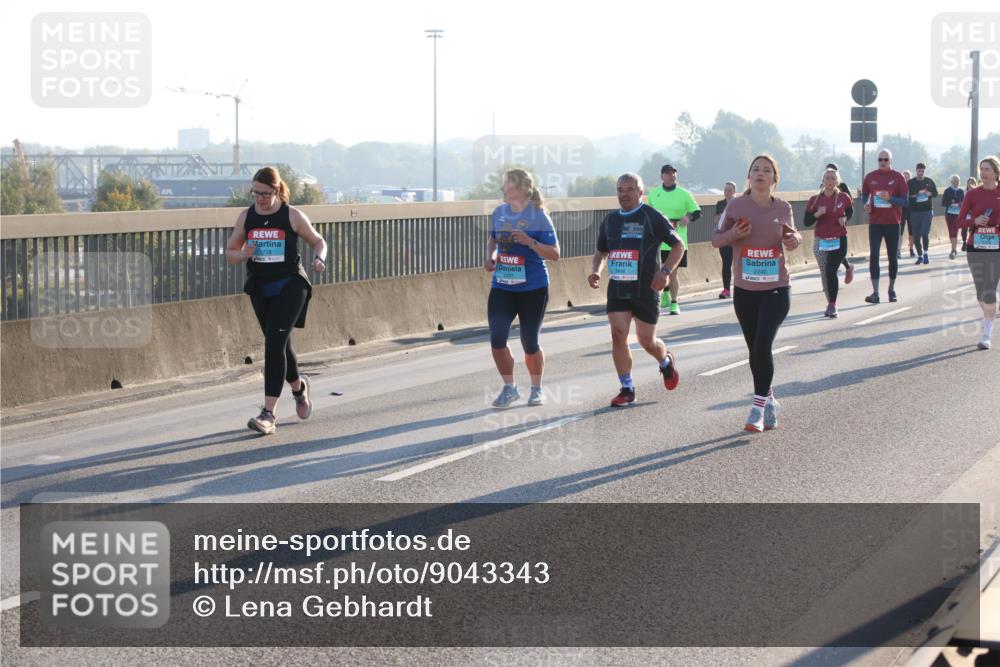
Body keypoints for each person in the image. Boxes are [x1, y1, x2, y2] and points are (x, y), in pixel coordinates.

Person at [226, 166, 328, 434]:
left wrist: (319, 258)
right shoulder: (246, 216)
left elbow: (319, 242)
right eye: (255, 193)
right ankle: (299, 388)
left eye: (265, 193)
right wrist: (243, 254)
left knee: (273, 343)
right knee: (280, 345)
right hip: (261, 287)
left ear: (277, 190)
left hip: (291, 285)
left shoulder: (292, 216)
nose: (259, 198)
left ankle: (268, 414)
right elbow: (230, 253)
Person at [712, 154, 802, 432]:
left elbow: (795, 238)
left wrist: (792, 239)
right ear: (748, 177)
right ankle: (770, 400)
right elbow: (716, 240)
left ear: (775, 178)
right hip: (745, 290)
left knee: (763, 346)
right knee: (755, 352)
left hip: (776, 288)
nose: (760, 174)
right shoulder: (736, 205)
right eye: (755, 170)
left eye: (766, 170)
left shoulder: (783, 207)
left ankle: (758, 408)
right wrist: (734, 236)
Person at [589, 173, 686, 406]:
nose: (625, 194)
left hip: (647, 288)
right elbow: (602, 251)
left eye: (630, 189)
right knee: (618, 335)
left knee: (646, 340)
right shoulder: (610, 220)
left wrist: (664, 272)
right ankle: (627, 388)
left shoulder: (651, 216)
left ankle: (665, 362)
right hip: (618, 289)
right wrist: (596, 271)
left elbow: (678, 245)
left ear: (641, 192)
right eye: (620, 190)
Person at [484, 169, 560, 408]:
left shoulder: (538, 216)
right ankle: (509, 387)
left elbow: (556, 253)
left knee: (530, 342)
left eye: (505, 185)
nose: (502, 189)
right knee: (497, 339)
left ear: (519, 188)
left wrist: (530, 242)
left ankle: (537, 388)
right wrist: (490, 257)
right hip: (502, 285)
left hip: (533, 287)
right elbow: (493, 240)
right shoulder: (499, 212)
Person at [956, 156, 1000, 350]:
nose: (983, 172)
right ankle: (990, 312)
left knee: (989, 292)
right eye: (981, 169)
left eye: (987, 169)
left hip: (996, 248)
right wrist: (974, 221)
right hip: (975, 247)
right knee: (981, 293)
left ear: (996, 172)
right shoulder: (972, 195)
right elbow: (958, 221)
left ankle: (986, 333)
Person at [647, 164, 702, 314]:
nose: (671, 176)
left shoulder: (684, 194)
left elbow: (697, 212)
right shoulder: (654, 194)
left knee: (672, 272)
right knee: (660, 271)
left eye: (673, 173)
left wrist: (688, 217)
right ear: (662, 176)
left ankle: (674, 302)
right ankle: (665, 293)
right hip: (658, 242)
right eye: (668, 173)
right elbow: (648, 214)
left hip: (676, 242)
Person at [804, 168, 854, 317]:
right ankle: (830, 302)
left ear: (837, 181)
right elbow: (806, 222)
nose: (830, 181)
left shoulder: (843, 197)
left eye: (833, 178)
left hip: (839, 239)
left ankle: (832, 305)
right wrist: (817, 214)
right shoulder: (815, 200)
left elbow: (850, 211)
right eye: (827, 178)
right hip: (821, 240)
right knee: (825, 273)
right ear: (823, 181)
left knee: (831, 271)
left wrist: (845, 219)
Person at [862, 149, 909, 304]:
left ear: (890, 161)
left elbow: (905, 201)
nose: (882, 162)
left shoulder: (898, 177)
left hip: (893, 223)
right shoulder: (870, 177)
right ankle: (875, 292)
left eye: (885, 159)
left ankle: (891, 289)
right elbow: (865, 195)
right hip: (875, 223)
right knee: (874, 255)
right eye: (880, 159)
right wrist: (866, 205)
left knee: (892, 257)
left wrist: (891, 199)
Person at [824, 163, 854, 284]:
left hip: (840, 223)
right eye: (828, 175)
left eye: (833, 175)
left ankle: (833, 273)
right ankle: (844, 268)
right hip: (827, 225)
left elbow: (850, 206)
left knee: (837, 249)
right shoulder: (823, 186)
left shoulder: (843, 186)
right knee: (830, 249)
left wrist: (845, 218)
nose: (830, 179)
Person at [907, 162, 938, 265]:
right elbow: (907, 195)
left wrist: (930, 193)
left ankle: (925, 254)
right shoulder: (911, 183)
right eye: (919, 171)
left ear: (924, 171)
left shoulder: (929, 181)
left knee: (925, 233)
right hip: (915, 212)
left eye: (922, 171)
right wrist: (915, 195)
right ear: (916, 171)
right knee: (916, 236)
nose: (921, 173)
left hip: (927, 211)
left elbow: (935, 193)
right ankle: (919, 255)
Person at [714, 181, 737, 298]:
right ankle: (726, 290)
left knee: (738, 264)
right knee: (726, 264)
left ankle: (741, 288)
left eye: (729, 190)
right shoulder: (720, 204)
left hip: (738, 238)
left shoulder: (739, 203)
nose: (727, 192)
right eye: (725, 190)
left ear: (734, 192)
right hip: (724, 237)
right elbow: (717, 220)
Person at [941, 174, 966, 259]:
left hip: (958, 215)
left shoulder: (961, 191)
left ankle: (953, 250)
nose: (956, 182)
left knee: (955, 231)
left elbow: (964, 203)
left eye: (958, 181)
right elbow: (943, 203)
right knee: (951, 232)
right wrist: (950, 202)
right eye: (955, 181)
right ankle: (954, 248)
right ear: (951, 181)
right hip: (949, 214)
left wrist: (961, 204)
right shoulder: (947, 191)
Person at [900, 169, 914, 259]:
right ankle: (898, 250)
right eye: (904, 175)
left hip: (911, 210)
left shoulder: (913, 185)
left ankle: (911, 249)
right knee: (899, 231)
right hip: (901, 210)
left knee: (911, 231)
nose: (905, 177)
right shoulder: (899, 185)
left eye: (907, 175)